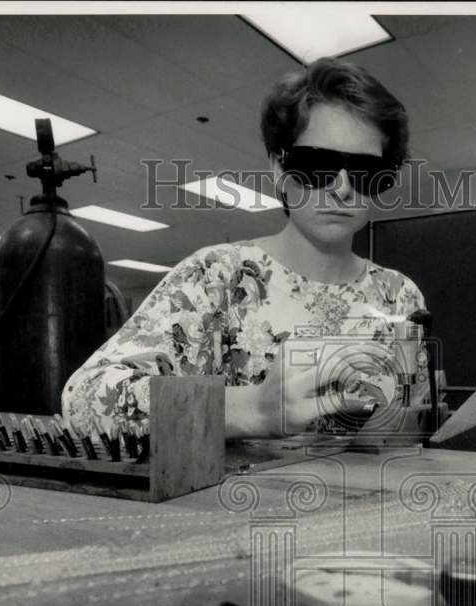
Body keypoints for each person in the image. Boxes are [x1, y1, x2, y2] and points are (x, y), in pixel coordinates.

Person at [61, 57, 426, 441]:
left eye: (365, 171)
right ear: (279, 167)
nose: (341, 188)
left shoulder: (401, 298)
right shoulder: (215, 278)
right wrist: (250, 408)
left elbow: (411, 427)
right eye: (317, 164)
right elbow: (84, 401)